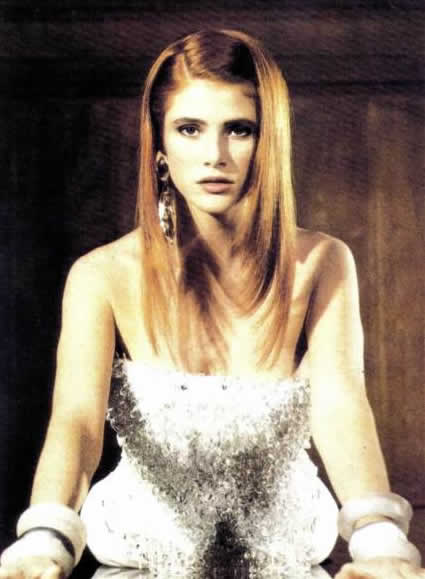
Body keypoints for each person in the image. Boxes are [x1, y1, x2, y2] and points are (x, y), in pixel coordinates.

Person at [0, 29, 423, 579]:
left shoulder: (322, 263)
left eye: (239, 129)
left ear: (267, 141)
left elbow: (342, 408)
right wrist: (44, 541)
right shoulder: (99, 275)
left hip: (289, 561)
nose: (215, 156)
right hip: (136, 562)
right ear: (160, 146)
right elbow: (77, 423)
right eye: (190, 129)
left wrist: (379, 540)